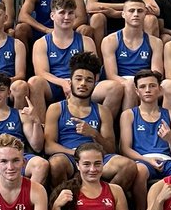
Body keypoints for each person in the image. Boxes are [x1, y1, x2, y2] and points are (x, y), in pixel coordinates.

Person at [44, 52, 136, 189]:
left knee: (129, 166)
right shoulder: (56, 108)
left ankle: (103, 198)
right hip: (68, 156)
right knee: (56, 164)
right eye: (78, 79)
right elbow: (49, 146)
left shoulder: (102, 111)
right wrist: (77, 155)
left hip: (97, 158)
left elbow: (110, 148)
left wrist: (94, 134)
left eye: (88, 80)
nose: (83, 84)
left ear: (94, 83)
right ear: (70, 82)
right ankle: (67, 203)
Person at [28, 0, 121, 118]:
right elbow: (41, 72)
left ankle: (100, 127)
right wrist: (63, 83)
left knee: (115, 88)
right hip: (55, 84)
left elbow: (95, 72)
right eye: (62, 13)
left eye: (70, 13)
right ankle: (43, 128)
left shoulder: (86, 41)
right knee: (34, 82)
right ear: (52, 16)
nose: (66, 17)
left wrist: (76, 83)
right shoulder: (41, 43)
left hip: (82, 82)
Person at [119, 70, 171, 210]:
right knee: (140, 170)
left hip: (168, 162)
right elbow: (125, 148)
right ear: (136, 91)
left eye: (152, 86)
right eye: (142, 87)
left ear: (160, 89)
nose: (147, 90)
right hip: (142, 160)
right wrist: (146, 159)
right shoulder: (129, 115)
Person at [101, 0, 166, 112]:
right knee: (129, 84)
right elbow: (111, 75)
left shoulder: (155, 42)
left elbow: (156, 73)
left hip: (145, 82)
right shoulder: (110, 40)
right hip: (120, 81)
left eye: (140, 11)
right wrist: (132, 85)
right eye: (131, 11)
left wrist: (142, 85)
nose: (136, 14)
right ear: (123, 14)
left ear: (145, 14)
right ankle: (127, 125)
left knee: (169, 85)